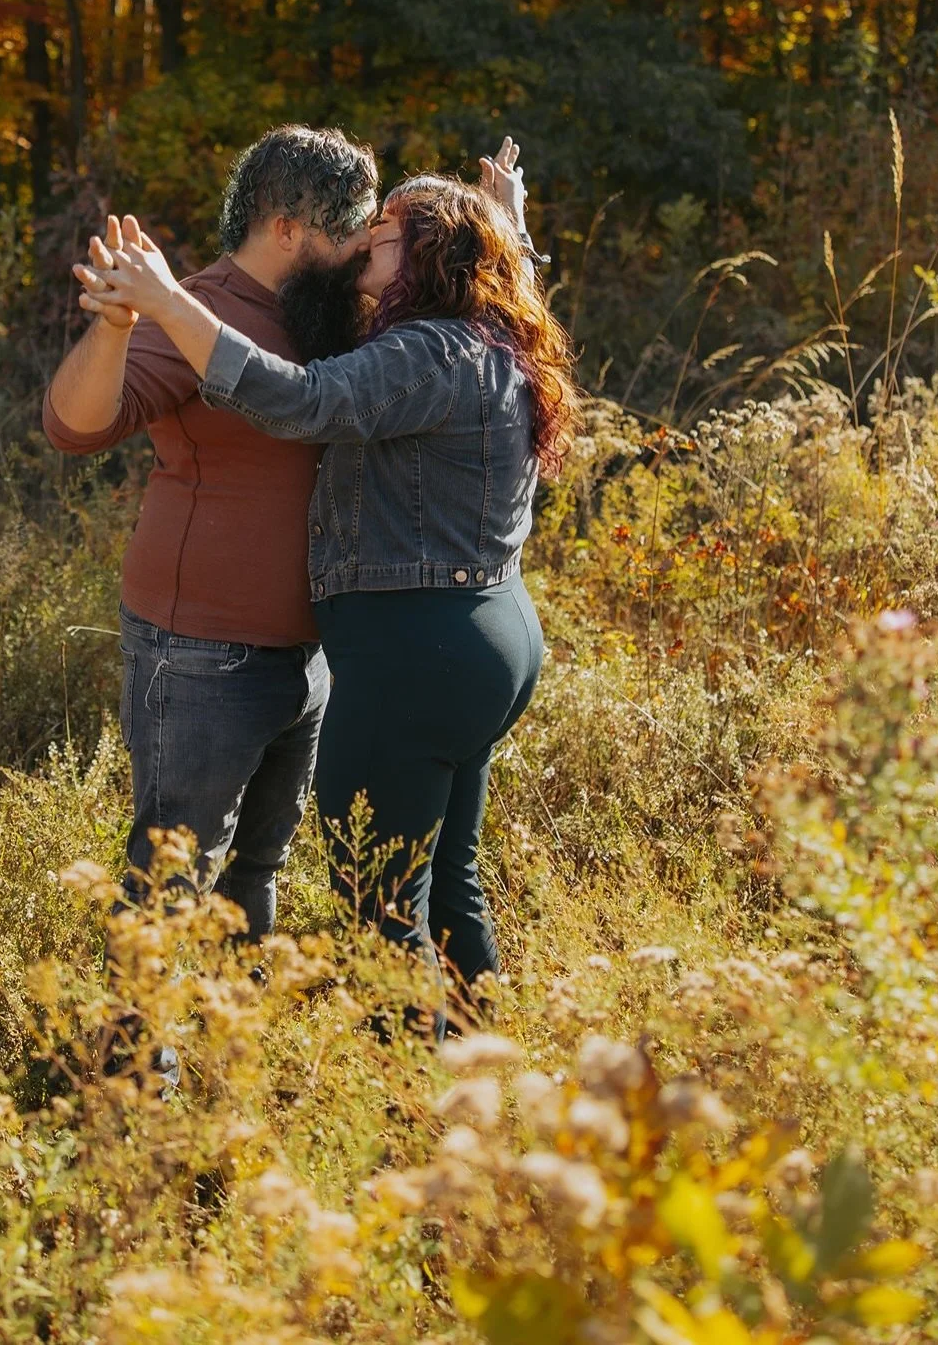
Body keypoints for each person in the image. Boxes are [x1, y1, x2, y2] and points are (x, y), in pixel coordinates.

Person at [71, 173, 579, 1021]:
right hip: (488, 639)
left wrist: (167, 301)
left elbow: (303, 400)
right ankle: (481, 1080)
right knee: (447, 877)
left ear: (426, 254)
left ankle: (420, 1111)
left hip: (418, 658)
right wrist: (510, 227)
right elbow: (496, 272)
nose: (362, 242)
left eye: (383, 228)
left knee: (381, 902)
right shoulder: (494, 334)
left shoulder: (426, 351)